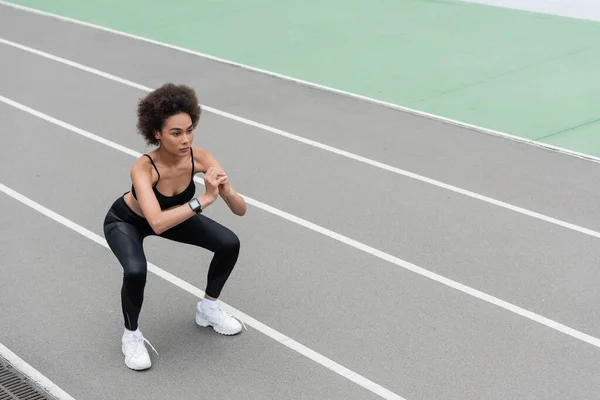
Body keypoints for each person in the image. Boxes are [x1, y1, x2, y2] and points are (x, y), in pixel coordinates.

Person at [102, 83, 247, 371]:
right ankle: (131, 336)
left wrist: (227, 191)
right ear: (156, 133)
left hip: (174, 216)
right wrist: (204, 199)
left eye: (190, 129)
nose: (186, 140)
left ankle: (208, 309)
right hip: (127, 222)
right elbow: (155, 223)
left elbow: (240, 210)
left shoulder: (201, 158)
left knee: (229, 243)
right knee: (135, 271)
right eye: (176, 133)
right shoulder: (143, 168)